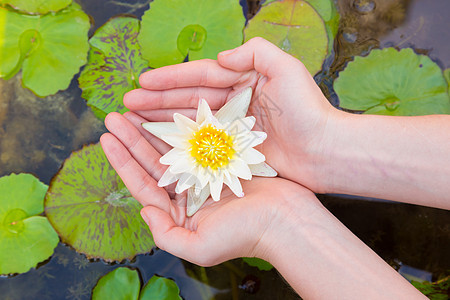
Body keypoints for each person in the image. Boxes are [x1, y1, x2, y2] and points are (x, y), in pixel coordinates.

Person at [100, 37, 449, 299]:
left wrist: (324, 145)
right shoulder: (194, 155)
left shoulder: (237, 136)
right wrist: (324, 148)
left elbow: (258, 165)